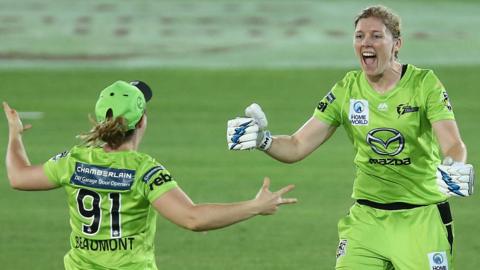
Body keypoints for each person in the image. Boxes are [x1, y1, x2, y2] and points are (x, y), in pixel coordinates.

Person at [226, 5, 474, 270]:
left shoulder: (424, 84)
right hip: (366, 220)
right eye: (359, 36)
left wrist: (454, 165)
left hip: (421, 218)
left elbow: (452, 144)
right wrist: (263, 140)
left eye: (376, 36)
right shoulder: (347, 89)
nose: (366, 42)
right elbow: (298, 145)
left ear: (396, 44)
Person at [4, 80, 297, 270]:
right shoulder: (144, 170)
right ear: (142, 121)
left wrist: (15, 135)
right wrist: (255, 206)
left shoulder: (73, 161)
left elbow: (18, 177)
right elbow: (192, 218)